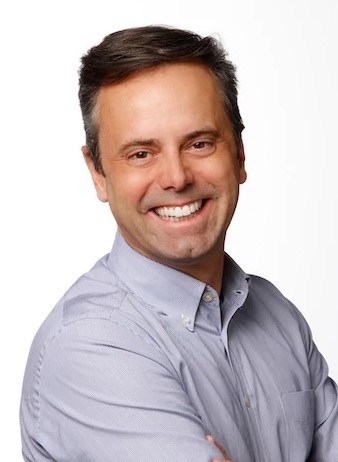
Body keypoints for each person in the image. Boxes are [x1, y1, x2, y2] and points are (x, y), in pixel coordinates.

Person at [20, 25, 338, 462]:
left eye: (200, 143)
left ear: (240, 155)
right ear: (97, 173)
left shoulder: (278, 317)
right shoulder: (89, 345)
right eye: (140, 154)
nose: (176, 177)